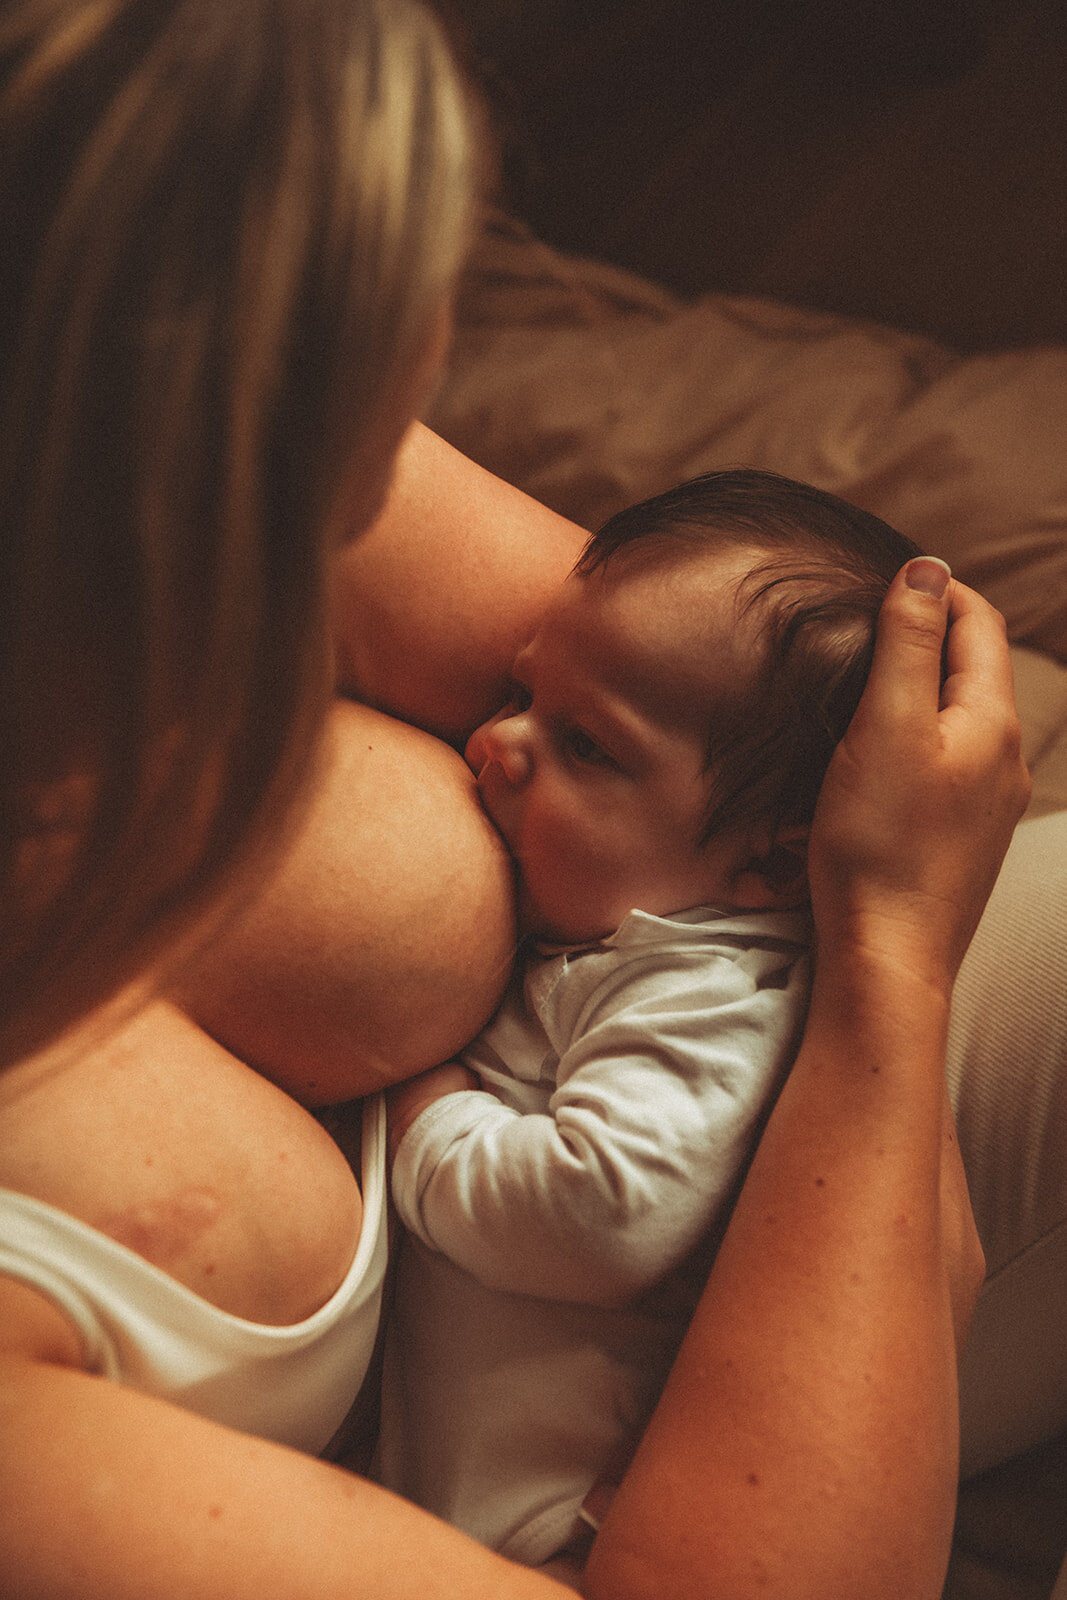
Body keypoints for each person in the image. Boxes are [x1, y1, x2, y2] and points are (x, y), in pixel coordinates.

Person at [0, 4, 1031, 1600]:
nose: (382, 498)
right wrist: (883, 991)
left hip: (745, 1000)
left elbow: (709, 674)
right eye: (340, 484)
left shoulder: (120, 396)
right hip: (622, 1385)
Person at [377, 468, 928, 1570]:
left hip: (541, 1534)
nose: (496, 742)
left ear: (771, 864)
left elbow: (600, 1211)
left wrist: (424, 1113)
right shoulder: (632, 927)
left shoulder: (711, 991)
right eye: (520, 691)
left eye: (585, 745)